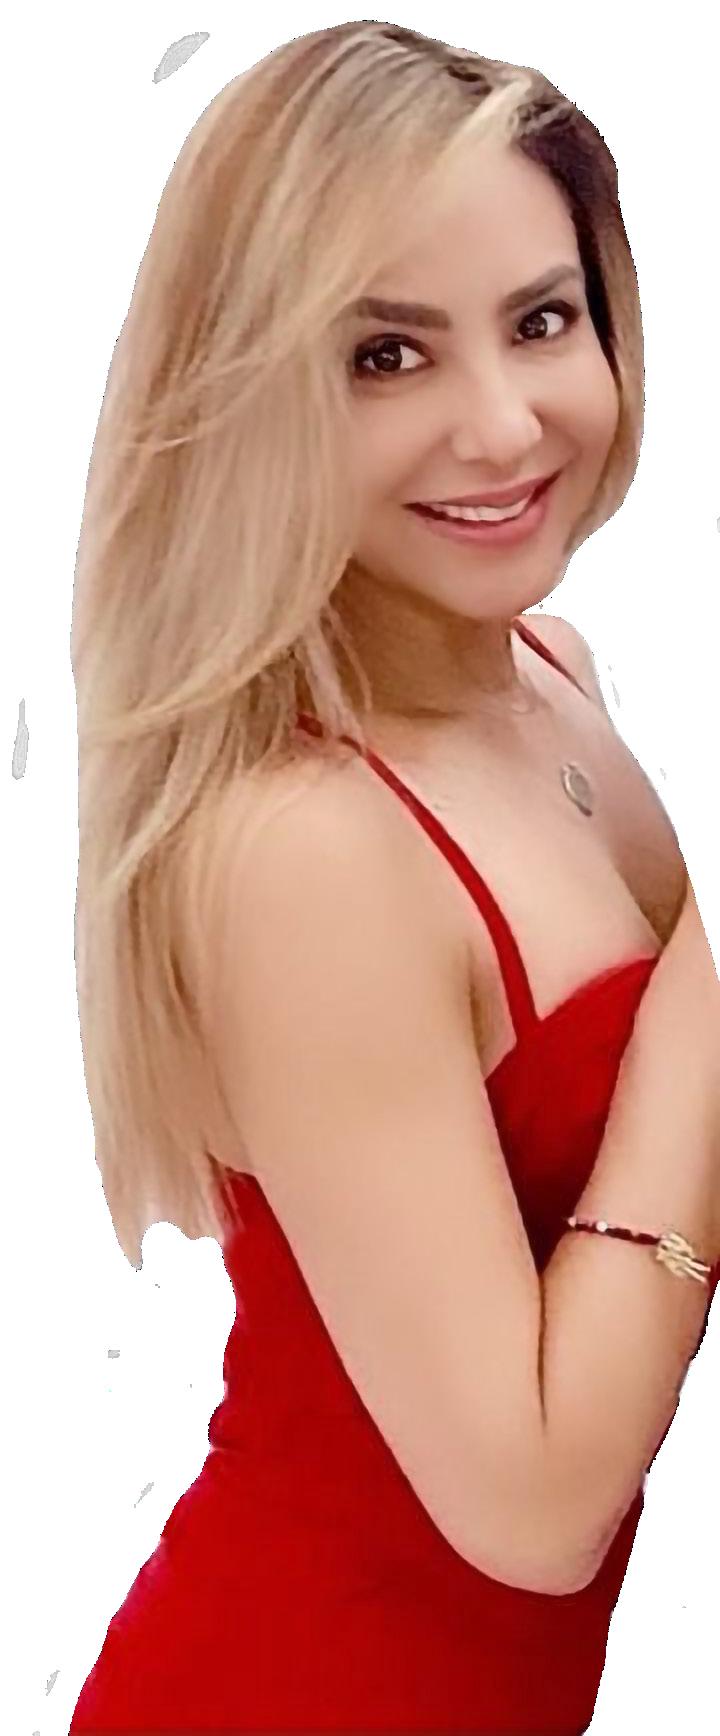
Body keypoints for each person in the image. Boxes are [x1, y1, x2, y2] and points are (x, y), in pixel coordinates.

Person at [68, 20, 720, 1734]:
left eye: (541, 320)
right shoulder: (309, 846)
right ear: (246, 390)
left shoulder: (555, 680)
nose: (501, 424)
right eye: (385, 354)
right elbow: (533, 1508)